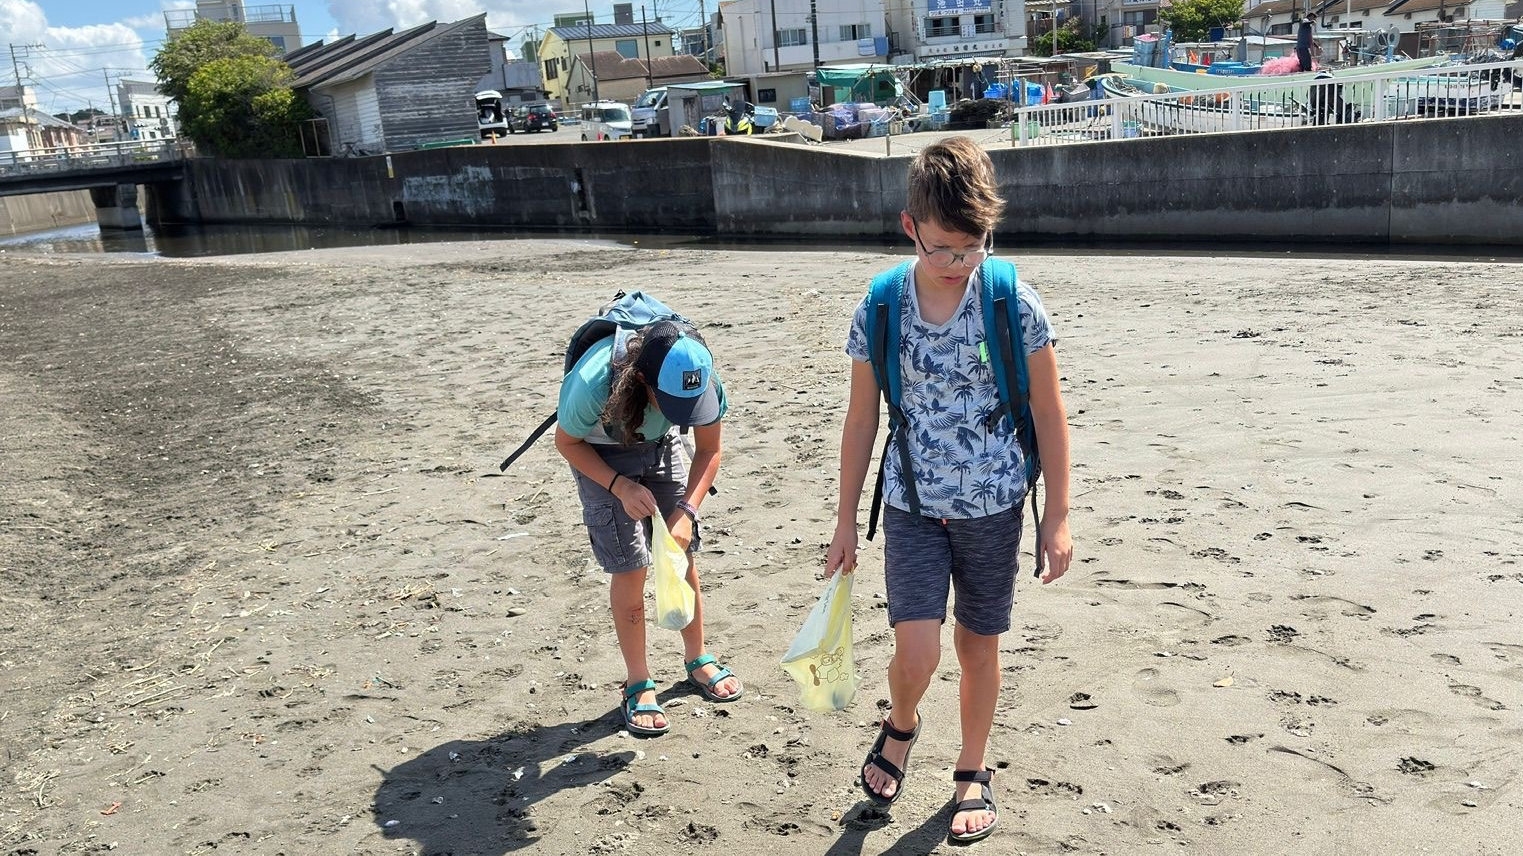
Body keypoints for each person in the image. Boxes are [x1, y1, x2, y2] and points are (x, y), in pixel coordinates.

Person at [825, 137, 1073, 844]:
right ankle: (901, 724)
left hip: (994, 508)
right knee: (917, 653)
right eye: (943, 249)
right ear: (910, 227)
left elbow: (1049, 412)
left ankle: (971, 767)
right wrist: (844, 520)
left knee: (977, 647)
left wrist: (1057, 516)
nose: (959, 263)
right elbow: (861, 418)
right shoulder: (880, 306)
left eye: (973, 247)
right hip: (910, 506)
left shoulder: (1011, 301)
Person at [555, 319, 742, 737]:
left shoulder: (702, 379)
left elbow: (709, 449)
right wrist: (619, 486)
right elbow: (566, 443)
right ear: (641, 379)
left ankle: (697, 657)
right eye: (672, 403)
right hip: (599, 451)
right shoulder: (592, 383)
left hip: (660, 446)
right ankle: (637, 681)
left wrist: (687, 511)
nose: (684, 413)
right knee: (632, 566)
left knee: (681, 551)